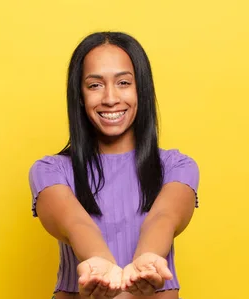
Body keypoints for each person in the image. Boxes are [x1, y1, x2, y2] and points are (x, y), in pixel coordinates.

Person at [28, 31, 200, 299]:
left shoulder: (177, 166)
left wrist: (146, 261)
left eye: (123, 82)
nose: (110, 98)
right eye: (95, 85)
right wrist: (101, 265)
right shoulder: (50, 171)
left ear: (140, 89)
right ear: (80, 95)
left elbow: (163, 218)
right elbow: (75, 223)